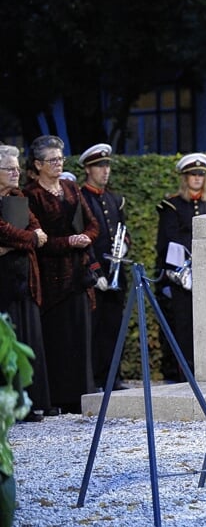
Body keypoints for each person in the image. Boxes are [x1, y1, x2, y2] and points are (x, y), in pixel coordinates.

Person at [24, 135, 99, 413]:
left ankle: (83, 393)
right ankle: (59, 396)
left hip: (78, 274)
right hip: (51, 276)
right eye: (52, 160)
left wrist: (85, 238)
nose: (58, 164)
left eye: (60, 159)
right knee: (57, 337)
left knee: (80, 333)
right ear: (38, 164)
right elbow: (38, 239)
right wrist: (67, 242)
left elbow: (92, 223)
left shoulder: (70, 187)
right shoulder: (31, 195)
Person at [0, 145, 52, 420]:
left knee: (26, 340)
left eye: (17, 168)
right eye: (9, 169)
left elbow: (34, 227)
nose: (15, 173)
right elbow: (4, 229)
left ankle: (27, 403)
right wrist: (29, 240)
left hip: (24, 280)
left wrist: (19, 243)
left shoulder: (20, 197)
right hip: (2, 284)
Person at [77, 144, 129, 391]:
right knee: (95, 327)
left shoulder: (115, 198)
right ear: (88, 169)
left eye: (107, 165)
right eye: (99, 166)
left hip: (115, 270)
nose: (105, 171)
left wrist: (124, 248)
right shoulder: (82, 197)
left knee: (114, 326)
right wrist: (95, 270)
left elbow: (123, 232)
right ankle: (95, 377)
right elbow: (83, 238)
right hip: (94, 272)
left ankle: (113, 376)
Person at [155, 153, 206, 380]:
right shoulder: (172, 205)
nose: (197, 179)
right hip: (179, 277)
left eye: (201, 175)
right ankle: (176, 375)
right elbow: (168, 241)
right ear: (185, 178)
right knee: (180, 327)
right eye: (192, 175)